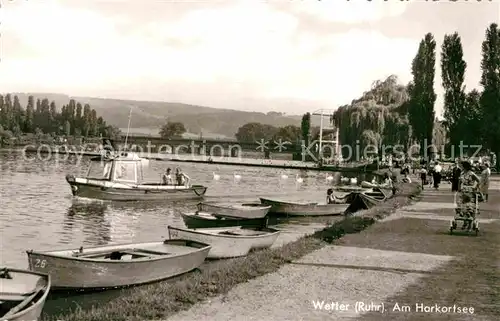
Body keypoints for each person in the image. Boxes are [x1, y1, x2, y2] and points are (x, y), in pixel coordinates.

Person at [457, 160, 480, 230]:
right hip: (463, 191)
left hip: (470, 191)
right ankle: (465, 222)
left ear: (465, 166)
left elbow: (478, 180)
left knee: (469, 207)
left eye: (462, 166)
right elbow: (460, 181)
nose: (460, 167)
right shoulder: (462, 173)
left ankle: (469, 224)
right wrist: (459, 188)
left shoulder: (471, 173)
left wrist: (475, 187)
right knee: (462, 206)